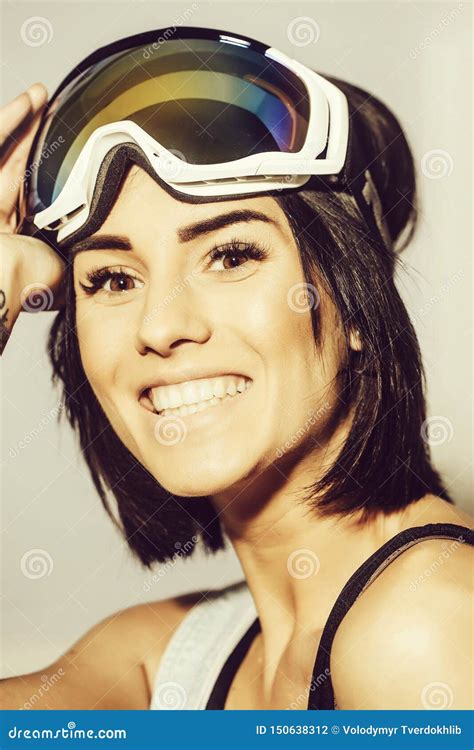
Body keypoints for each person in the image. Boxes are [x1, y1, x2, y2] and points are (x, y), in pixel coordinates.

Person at [0, 28, 472, 711]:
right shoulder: (167, 661)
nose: (161, 327)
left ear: (358, 304)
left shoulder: (425, 627)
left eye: (230, 257)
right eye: (110, 278)